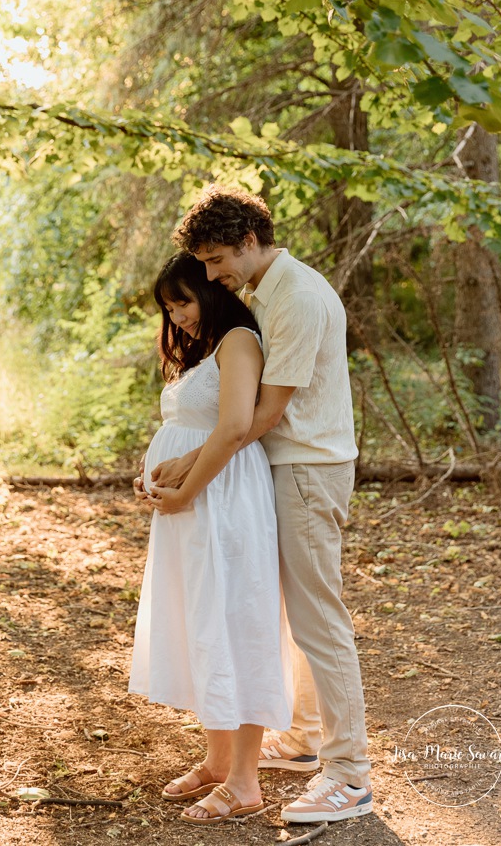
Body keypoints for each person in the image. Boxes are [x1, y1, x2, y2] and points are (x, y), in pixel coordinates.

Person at [149, 186, 372, 824]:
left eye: (217, 260)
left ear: (249, 239)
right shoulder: (269, 293)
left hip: (309, 467)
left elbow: (265, 413)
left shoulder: (297, 296)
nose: (214, 274)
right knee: (294, 617)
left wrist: (190, 468)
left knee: (318, 620)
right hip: (286, 466)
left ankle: (349, 774)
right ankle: (303, 741)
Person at [128, 251, 292, 826]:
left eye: (184, 301)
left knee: (237, 618)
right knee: (204, 619)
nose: (176, 318)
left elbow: (234, 427)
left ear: (211, 292)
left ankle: (246, 781)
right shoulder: (200, 350)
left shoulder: (238, 341)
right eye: (168, 308)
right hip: (190, 506)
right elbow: (186, 428)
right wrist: (157, 470)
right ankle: (218, 760)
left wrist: (188, 488)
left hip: (224, 500)